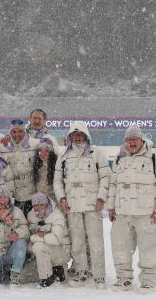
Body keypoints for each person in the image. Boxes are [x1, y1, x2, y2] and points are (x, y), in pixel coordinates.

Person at [107, 125, 156, 294]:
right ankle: (124, 279)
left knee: (148, 249)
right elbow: (113, 184)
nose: (132, 143)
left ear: (141, 139)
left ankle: (148, 281)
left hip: (147, 213)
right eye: (129, 140)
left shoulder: (155, 155)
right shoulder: (120, 156)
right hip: (122, 213)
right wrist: (111, 207)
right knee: (120, 248)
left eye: (135, 139)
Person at [54, 120, 109, 288]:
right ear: (70, 137)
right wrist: (62, 199)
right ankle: (81, 272)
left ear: (86, 136)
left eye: (80, 135)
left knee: (95, 241)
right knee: (77, 242)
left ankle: (99, 275)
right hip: (72, 205)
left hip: (92, 205)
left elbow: (105, 177)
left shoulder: (97, 153)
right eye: (74, 135)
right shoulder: (64, 155)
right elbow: (57, 181)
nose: (77, 138)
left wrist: (101, 198)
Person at [26, 192, 70, 287]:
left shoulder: (56, 215)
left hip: (61, 250)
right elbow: (29, 236)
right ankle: (57, 270)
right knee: (23, 276)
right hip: (43, 251)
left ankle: (47, 278)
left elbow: (56, 239)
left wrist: (35, 237)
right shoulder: (31, 215)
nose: (38, 207)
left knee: (38, 246)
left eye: (41, 204)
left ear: (46, 204)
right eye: (35, 205)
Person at [0, 118, 37, 212]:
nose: (17, 135)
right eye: (14, 132)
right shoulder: (2, 146)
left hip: (31, 195)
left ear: (25, 132)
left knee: (31, 219)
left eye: (20, 131)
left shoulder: (34, 144)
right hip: (10, 196)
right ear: (9, 132)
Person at [32, 137, 59, 202]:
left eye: (46, 151)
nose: (43, 154)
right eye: (40, 150)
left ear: (51, 152)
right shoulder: (36, 166)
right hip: (40, 203)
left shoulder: (56, 167)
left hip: (54, 202)